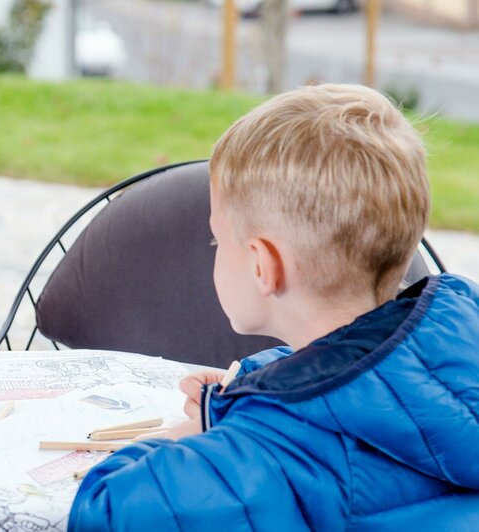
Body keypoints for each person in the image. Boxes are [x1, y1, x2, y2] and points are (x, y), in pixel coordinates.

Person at [69, 83, 479, 529]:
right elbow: (380, 379)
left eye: (217, 239)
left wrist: (199, 431)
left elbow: (104, 507)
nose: (214, 249)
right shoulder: (460, 329)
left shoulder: (264, 461)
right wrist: (249, 389)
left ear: (265, 265)